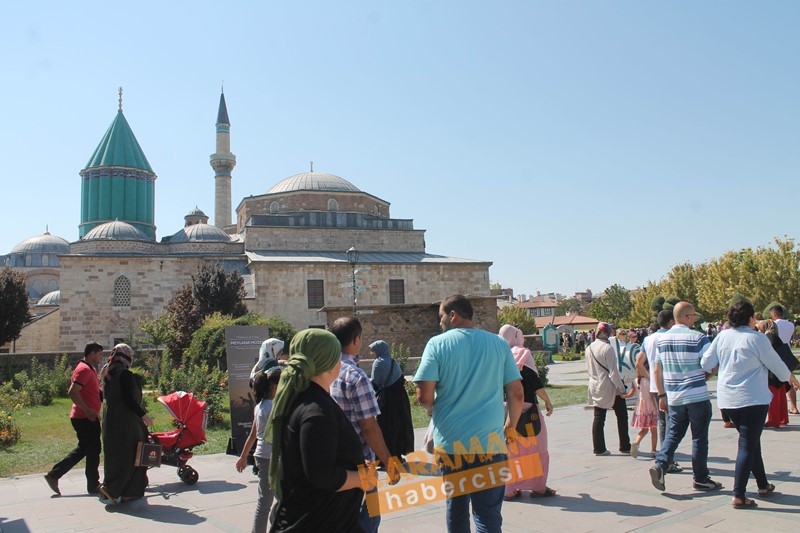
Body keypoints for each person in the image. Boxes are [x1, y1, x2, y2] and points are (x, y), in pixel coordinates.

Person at [414, 295, 523, 533]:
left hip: (453, 444)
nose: (439, 322)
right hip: (491, 443)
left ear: (453, 315)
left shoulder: (437, 344)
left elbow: (423, 395)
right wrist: (510, 426)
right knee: (488, 515)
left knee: (457, 508)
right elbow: (516, 394)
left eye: (441, 316)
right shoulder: (498, 343)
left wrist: (432, 409)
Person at [701, 301, 800, 508]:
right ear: (749, 318)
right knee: (747, 443)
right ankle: (738, 494)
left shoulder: (722, 336)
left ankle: (763, 484)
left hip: (728, 399)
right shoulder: (756, 338)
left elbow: (705, 363)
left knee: (751, 440)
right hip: (752, 399)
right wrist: (790, 378)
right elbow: (776, 365)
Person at [266, 329, 365, 532]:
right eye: (336, 357)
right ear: (327, 363)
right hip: (321, 522)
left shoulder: (303, 398)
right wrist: (359, 478)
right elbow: (321, 474)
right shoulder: (316, 411)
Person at [330, 317, 398, 533]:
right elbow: (369, 427)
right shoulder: (356, 376)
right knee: (368, 522)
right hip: (361, 465)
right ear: (357, 339)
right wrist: (389, 462)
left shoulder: (322, 372)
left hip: (331, 463)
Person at [649, 302, 721, 493]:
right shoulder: (698, 338)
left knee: (673, 433)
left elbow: (657, 369)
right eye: (694, 316)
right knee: (699, 438)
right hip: (696, 395)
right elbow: (712, 364)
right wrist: (705, 377)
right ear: (688, 317)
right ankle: (700, 478)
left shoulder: (662, 340)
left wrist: (662, 394)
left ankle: (661, 464)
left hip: (674, 396)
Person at [499, 324, 555, 499]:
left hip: (505, 410)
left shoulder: (500, 355)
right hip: (528, 408)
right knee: (536, 448)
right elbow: (534, 383)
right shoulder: (523, 354)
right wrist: (547, 401)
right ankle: (538, 487)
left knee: (510, 450)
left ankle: (509, 489)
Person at [44, 342, 104, 496]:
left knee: (87, 448)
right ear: (92, 354)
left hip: (87, 416)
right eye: (99, 354)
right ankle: (93, 485)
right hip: (84, 417)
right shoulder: (83, 369)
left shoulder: (90, 369)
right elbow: (72, 392)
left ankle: (55, 475)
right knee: (92, 449)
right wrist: (88, 410)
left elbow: (93, 392)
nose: (101, 357)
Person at [97, 343, 153, 505]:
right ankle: (126, 491)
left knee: (114, 453)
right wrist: (144, 416)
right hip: (126, 419)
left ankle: (111, 485)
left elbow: (103, 396)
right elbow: (129, 399)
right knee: (134, 452)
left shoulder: (107, 373)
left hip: (110, 417)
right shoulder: (125, 375)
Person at [236, 367, 282, 533]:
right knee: (269, 502)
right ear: (274, 386)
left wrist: (243, 456)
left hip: (263, 456)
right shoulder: (272, 408)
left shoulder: (260, 406)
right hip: (272, 458)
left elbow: (253, 435)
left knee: (272, 500)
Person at [639, 310, 683, 471]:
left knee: (663, 422)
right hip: (671, 384)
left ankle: (665, 458)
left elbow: (639, 362)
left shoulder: (648, 339)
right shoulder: (670, 337)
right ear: (671, 322)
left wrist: (650, 377)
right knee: (673, 422)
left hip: (655, 385)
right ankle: (668, 459)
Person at [586, 322, 630, 456]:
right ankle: (624, 445)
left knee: (599, 417)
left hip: (595, 384)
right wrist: (622, 389)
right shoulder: (607, 348)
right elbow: (613, 372)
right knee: (622, 415)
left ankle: (598, 447)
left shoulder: (589, 348)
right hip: (609, 386)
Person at [369, 339, 414, 460]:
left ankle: (385, 459)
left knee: (385, 427)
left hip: (387, 400)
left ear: (378, 350)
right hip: (399, 398)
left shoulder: (378, 363)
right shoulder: (394, 361)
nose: (371, 353)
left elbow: (375, 383)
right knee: (397, 427)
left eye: (372, 350)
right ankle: (397, 456)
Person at [755, 319, 799, 427]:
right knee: (781, 396)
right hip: (780, 370)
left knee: (773, 396)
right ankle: (782, 418)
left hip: (773, 371)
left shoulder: (768, 337)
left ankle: (773, 420)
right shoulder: (775, 336)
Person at [769, 305, 799, 414]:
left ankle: (778, 409)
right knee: (789, 380)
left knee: (777, 383)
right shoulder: (791, 324)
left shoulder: (774, 324)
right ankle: (794, 406)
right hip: (787, 352)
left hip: (777, 351)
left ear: (774, 314)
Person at [629, 349, 658, 459]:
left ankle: (636, 442)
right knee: (654, 430)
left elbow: (630, 394)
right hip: (651, 406)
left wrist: (623, 395)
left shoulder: (636, 380)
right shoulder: (650, 381)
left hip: (641, 407)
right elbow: (651, 394)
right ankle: (654, 450)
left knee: (644, 429)